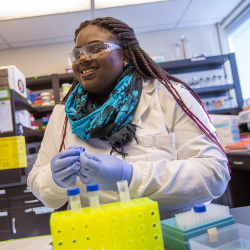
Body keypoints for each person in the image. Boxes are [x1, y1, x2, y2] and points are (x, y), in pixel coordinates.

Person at [27, 17, 230, 219]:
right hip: (97, 236)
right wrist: (54, 180)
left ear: (124, 56)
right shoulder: (62, 115)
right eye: (77, 53)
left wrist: (130, 176)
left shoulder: (169, 96)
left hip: (167, 232)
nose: (82, 58)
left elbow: (214, 172)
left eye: (95, 48)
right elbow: (37, 181)